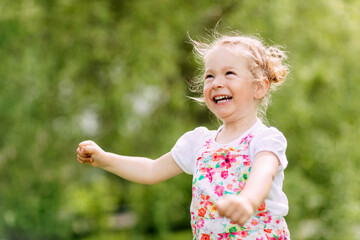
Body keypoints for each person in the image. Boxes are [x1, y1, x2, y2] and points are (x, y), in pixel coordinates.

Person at [76, 32, 291, 240]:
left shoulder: (265, 140)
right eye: (210, 75)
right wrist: (105, 159)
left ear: (259, 87)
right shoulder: (198, 143)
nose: (216, 83)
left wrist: (247, 201)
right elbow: (151, 170)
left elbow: (264, 174)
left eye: (229, 73)